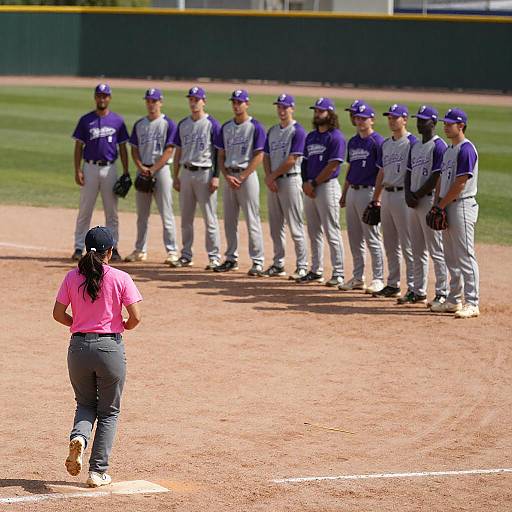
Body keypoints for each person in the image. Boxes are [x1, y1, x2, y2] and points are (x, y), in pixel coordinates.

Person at [53, 226, 142, 487]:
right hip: (109, 349)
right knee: (109, 411)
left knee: (85, 403)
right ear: (110, 252)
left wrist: (77, 323)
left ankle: (80, 437)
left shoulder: (71, 277)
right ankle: (97, 471)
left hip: (78, 348)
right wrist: (124, 326)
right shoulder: (121, 277)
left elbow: (58, 314)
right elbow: (136, 317)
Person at [71, 84, 130, 262]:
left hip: (110, 168)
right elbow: (78, 146)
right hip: (89, 167)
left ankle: (114, 246)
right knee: (85, 208)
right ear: (95, 97)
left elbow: (123, 147)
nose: (102, 99)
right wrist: (77, 169)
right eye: (99, 96)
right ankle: (79, 247)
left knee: (112, 211)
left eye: (105, 96)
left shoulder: (117, 121)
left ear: (109, 98)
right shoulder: (85, 120)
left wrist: (126, 171)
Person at [431, 108, 480, 318]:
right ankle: (453, 300)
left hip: (461, 205)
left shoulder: (466, 149)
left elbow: (460, 184)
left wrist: (440, 205)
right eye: (444, 123)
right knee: (450, 255)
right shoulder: (450, 149)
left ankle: (472, 302)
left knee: (465, 255)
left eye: (449, 123)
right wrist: (436, 202)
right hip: (447, 204)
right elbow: (442, 178)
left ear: (461, 126)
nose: (445, 126)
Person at [214, 89, 266, 276]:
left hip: (247, 177)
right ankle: (231, 258)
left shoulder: (255, 127)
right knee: (229, 220)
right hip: (229, 177)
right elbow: (220, 155)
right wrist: (226, 175)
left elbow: (259, 155)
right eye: (234, 102)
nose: (236, 105)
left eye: (240, 102)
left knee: (252, 219)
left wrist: (242, 176)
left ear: (247, 104)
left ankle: (258, 261)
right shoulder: (226, 127)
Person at [125, 88, 179, 265]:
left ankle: (172, 251)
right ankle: (140, 250)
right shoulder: (140, 124)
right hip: (144, 170)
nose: (151, 104)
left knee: (166, 213)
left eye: (154, 101)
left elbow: (170, 149)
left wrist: (154, 169)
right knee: (142, 215)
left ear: (160, 102)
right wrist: (141, 167)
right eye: (148, 101)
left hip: (161, 171)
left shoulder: (168, 124)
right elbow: (134, 148)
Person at [171, 86, 222, 270]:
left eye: (197, 99)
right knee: (186, 217)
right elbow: (178, 151)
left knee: (210, 217)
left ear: (204, 101)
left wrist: (216, 176)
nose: (194, 102)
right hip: (186, 172)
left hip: (205, 173)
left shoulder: (212, 124)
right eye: (191, 99)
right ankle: (186, 254)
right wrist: (175, 176)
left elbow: (218, 153)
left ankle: (214, 257)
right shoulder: (183, 124)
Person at [402, 105, 448, 306]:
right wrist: (407, 194)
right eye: (418, 120)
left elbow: (436, 176)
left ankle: (442, 292)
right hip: (413, 201)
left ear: (434, 122)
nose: (420, 123)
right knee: (417, 248)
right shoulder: (415, 146)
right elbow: (408, 172)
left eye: (424, 120)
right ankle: (417, 290)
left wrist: (417, 195)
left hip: (428, 200)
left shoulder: (439, 146)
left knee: (436, 249)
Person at [370, 104, 416, 299]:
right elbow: (381, 171)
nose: (391, 120)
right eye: (389, 117)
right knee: (389, 243)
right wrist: (375, 198)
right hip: (387, 196)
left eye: (395, 117)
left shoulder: (412, 142)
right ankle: (393, 283)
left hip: (403, 196)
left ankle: (414, 286)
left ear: (405, 119)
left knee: (408, 243)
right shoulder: (386, 144)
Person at [298, 97, 346, 287]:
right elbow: (305, 162)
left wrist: (315, 182)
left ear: (330, 113)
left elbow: (333, 164)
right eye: (316, 111)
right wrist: (304, 183)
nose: (317, 114)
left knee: (331, 231)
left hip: (327, 187)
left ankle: (339, 272)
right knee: (313, 230)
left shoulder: (336, 137)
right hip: (310, 187)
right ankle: (315, 270)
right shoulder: (311, 136)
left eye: (321, 111)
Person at [339, 102, 385, 294]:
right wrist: (344, 193)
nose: (359, 121)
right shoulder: (353, 141)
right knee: (354, 237)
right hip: (353, 192)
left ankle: (378, 279)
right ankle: (358, 278)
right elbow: (351, 168)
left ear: (372, 119)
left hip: (369, 192)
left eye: (363, 118)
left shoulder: (378, 142)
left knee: (372, 237)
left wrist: (377, 198)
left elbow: (382, 171)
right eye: (357, 118)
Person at [262, 93, 308, 280]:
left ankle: (302, 266)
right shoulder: (272, 130)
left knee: (295, 226)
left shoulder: (298, 131)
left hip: (291, 180)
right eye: (279, 107)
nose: (281, 110)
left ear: (292, 108)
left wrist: (272, 176)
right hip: (274, 181)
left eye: (285, 107)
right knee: (275, 226)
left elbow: (292, 160)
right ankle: (278, 264)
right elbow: (266, 156)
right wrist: (269, 177)